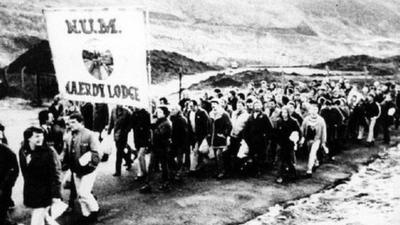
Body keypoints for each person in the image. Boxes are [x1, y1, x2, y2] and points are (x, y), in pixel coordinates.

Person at [19, 126, 62, 225]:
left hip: (45, 192)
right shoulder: (23, 151)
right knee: (44, 217)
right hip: (32, 191)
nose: (40, 139)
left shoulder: (48, 152)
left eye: (42, 136)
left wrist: (56, 194)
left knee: (37, 218)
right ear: (28, 138)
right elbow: (25, 173)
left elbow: (55, 174)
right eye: (37, 136)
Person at [62, 113, 100, 222]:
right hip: (75, 169)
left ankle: (95, 210)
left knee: (84, 192)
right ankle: (86, 214)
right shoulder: (69, 136)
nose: (71, 125)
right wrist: (65, 164)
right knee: (80, 194)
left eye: (74, 122)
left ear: (81, 122)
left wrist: (90, 164)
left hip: (89, 169)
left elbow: (97, 153)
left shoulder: (89, 134)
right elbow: (67, 152)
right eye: (70, 123)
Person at [140, 106, 172, 193]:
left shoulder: (166, 123)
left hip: (162, 148)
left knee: (163, 166)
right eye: (157, 112)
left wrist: (153, 128)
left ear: (164, 113)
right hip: (157, 147)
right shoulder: (159, 122)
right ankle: (149, 184)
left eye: (160, 112)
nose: (157, 113)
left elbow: (159, 134)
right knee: (153, 166)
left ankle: (164, 183)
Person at [243, 100, 273, 176]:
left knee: (261, 155)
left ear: (261, 106)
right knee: (252, 155)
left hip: (261, 140)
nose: (257, 107)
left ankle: (259, 170)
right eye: (255, 105)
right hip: (252, 140)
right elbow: (246, 128)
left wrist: (266, 138)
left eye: (258, 105)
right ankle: (253, 169)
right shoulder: (251, 116)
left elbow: (269, 128)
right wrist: (247, 138)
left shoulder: (264, 116)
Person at [221, 100, 249, 178]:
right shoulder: (234, 113)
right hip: (232, 137)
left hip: (241, 138)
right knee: (226, 153)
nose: (238, 107)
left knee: (239, 155)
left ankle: (237, 171)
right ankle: (227, 171)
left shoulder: (246, 115)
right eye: (237, 105)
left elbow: (246, 128)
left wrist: (241, 135)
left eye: (240, 105)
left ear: (244, 106)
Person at [300, 103, 327, 178]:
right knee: (311, 152)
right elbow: (302, 129)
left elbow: (323, 132)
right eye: (312, 109)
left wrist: (323, 142)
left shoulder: (321, 120)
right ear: (309, 110)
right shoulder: (306, 119)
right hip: (308, 139)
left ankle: (309, 170)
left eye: (315, 109)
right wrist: (302, 138)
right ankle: (316, 162)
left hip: (316, 140)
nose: (314, 111)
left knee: (312, 153)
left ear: (318, 110)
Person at [275, 106, 300, 184]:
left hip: (290, 144)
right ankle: (279, 176)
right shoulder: (279, 121)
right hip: (281, 143)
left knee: (289, 160)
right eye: (282, 112)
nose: (284, 114)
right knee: (280, 160)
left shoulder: (293, 121)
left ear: (288, 113)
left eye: (285, 112)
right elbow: (276, 133)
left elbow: (298, 132)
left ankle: (293, 174)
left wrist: (295, 141)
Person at [208, 99, 232, 179]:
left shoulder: (224, 114)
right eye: (212, 104)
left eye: (215, 103)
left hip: (221, 138)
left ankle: (222, 171)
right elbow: (209, 125)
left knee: (219, 155)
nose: (213, 105)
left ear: (218, 105)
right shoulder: (211, 114)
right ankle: (218, 170)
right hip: (213, 138)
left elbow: (229, 126)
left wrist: (225, 135)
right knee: (215, 155)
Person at [186, 100, 210, 176]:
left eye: (192, 106)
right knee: (195, 152)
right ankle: (195, 168)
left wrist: (205, 136)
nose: (190, 108)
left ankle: (196, 168)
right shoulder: (189, 113)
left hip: (201, 136)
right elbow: (189, 125)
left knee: (199, 152)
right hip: (193, 135)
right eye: (189, 106)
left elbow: (207, 125)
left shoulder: (202, 113)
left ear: (196, 105)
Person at [0, 130, 19, 225]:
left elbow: (14, 171)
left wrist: (7, 185)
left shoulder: (8, 152)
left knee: (3, 211)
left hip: (3, 187)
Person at [108, 105, 132, 176]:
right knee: (121, 150)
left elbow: (130, 124)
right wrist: (109, 130)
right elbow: (111, 122)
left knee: (119, 152)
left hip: (123, 134)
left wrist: (126, 130)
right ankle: (129, 160)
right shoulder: (113, 110)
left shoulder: (127, 112)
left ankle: (118, 171)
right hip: (116, 134)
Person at [169, 105, 189, 180]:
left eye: (173, 109)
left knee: (179, 158)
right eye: (171, 109)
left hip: (180, 142)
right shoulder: (172, 118)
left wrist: (184, 143)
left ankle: (179, 172)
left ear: (178, 110)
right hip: (174, 142)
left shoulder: (182, 119)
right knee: (171, 156)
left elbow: (185, 133)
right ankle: (175, 170)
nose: (172, 111)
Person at [131, 107, 151, 181]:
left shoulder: (146, 114)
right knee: (140, 156)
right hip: (137, 138)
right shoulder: (134, 114)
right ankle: (141, 172)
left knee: (140, 156)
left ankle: (144, 173)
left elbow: (147, 127)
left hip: (144, 138)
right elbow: (132, 125)